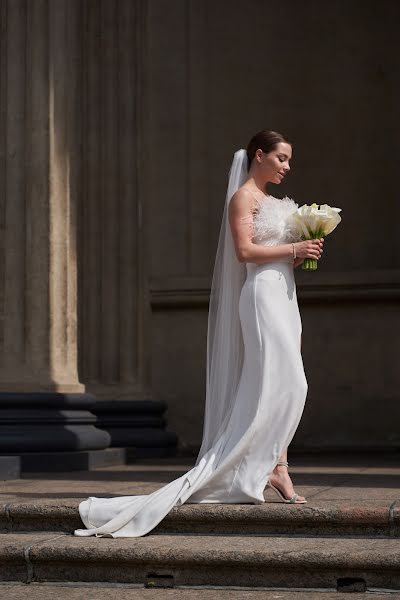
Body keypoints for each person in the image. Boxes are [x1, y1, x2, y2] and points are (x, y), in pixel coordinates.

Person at [74, 129, 324, 538]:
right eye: (281, 158)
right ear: (259, 155)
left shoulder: (276, 203)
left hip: (284, 294)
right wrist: (293, 250)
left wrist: (304, 251)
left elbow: (278, 257)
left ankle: (278, 467)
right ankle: (257, 469)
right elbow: (244, 252)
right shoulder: (242, 197)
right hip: (260, 298)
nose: (287, 166)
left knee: (283, 384)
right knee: (289, 383)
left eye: (289, 160)